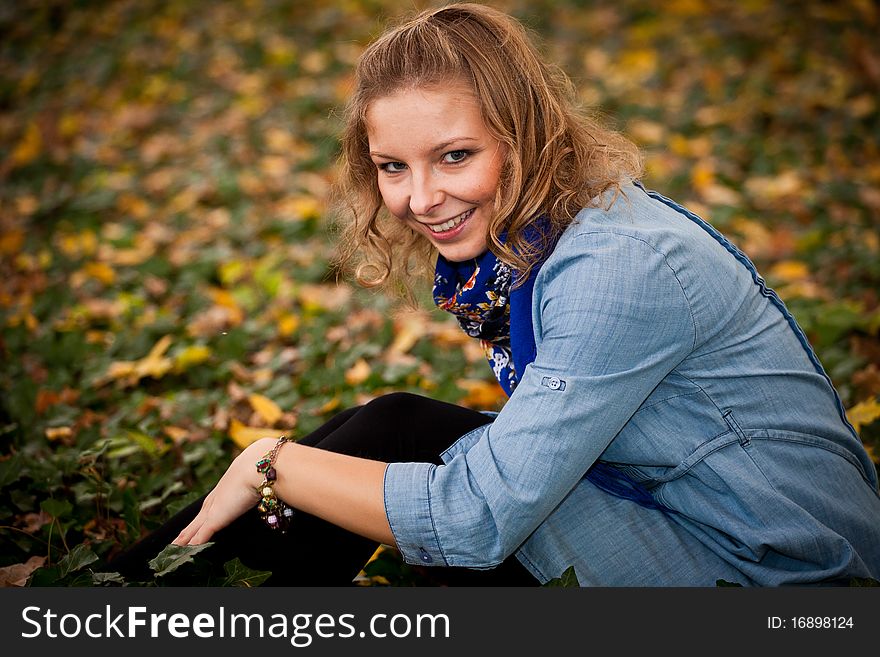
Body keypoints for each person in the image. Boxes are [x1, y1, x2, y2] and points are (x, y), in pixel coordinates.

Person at [108, 3, 880, 587]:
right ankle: (123, 599)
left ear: (525, 133)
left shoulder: (619, 267)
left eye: (454, 156)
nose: (420, 198)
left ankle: (127, 609)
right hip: (675, 509)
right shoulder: (546, 234)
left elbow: (474, 522)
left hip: (777, 574)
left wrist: (269, 460)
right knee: (393, 424)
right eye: (393, 166)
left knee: (407, 463)